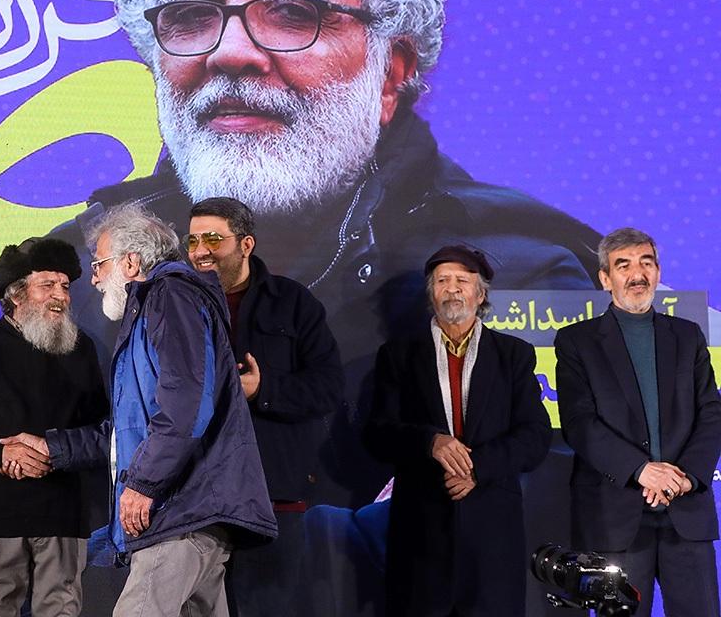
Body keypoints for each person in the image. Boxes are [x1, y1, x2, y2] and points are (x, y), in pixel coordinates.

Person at [50, 0, 600, 507]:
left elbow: (537, 506)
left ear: (392, 71)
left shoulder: (526, 272)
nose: (230, 52)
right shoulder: (79, 276)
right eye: (192, 12)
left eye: (289, 10)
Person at [9, 204, 277, 617]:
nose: (93, 278)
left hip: (180, 511)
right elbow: (130, 429)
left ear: (131, 262)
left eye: (99, 264)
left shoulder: (169, 296)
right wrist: (52, 448)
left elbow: (186, 403)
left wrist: (145, 484)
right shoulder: (160, 305)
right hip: (193, 510)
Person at [365, 245, 551, 616]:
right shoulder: (398, 355)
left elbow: (534, 436)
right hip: (421, 537)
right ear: (431, 294)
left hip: (491, 538)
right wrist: (429, 442)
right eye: (442, 281)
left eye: (462, 281)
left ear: (480, 294)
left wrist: (477, 468)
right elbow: (377, 433)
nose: (452, 289)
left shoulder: (513, 355)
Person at [0, 237, 109, 617]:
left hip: (64, 514)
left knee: (61, 611)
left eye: (65, 286)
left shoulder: (82, 348)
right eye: (48, 285)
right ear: (16, 294)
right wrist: (1, 453)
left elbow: (103, 429)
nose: (60, 296)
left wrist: (56, 451)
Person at [183, 197, 342, 617]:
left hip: (271, 500)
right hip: (194, 499)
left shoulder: (293, 303)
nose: (200, 251)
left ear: (246, 244)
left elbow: (328, 388)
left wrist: (263, 389)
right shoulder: (178, 304)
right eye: (193, 240)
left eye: (213, 238)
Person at [554, 228, 721, 617]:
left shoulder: (688, 336)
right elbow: (580, 423)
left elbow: (711, 412)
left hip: (685, 512)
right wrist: (641, 471)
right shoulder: (577, 341)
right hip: (615, 518)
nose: (637, 274)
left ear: (658, 272)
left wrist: (686, 477)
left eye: (646, 263)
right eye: (623, 265)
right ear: (605, 278)